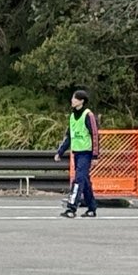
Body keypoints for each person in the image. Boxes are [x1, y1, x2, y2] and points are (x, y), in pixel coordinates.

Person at [56, 88, 99, 218]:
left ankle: (71, 208)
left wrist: (95, 155)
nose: (72, 100)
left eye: (75, 98)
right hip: (77, 153)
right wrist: (60, 152)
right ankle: (91, 208)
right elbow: (69, 136)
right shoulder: (72, 117)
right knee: (85, 181)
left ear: (81, 101)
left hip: (86, 153)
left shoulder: (88, 115)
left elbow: (95, 135)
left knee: (78, 179)